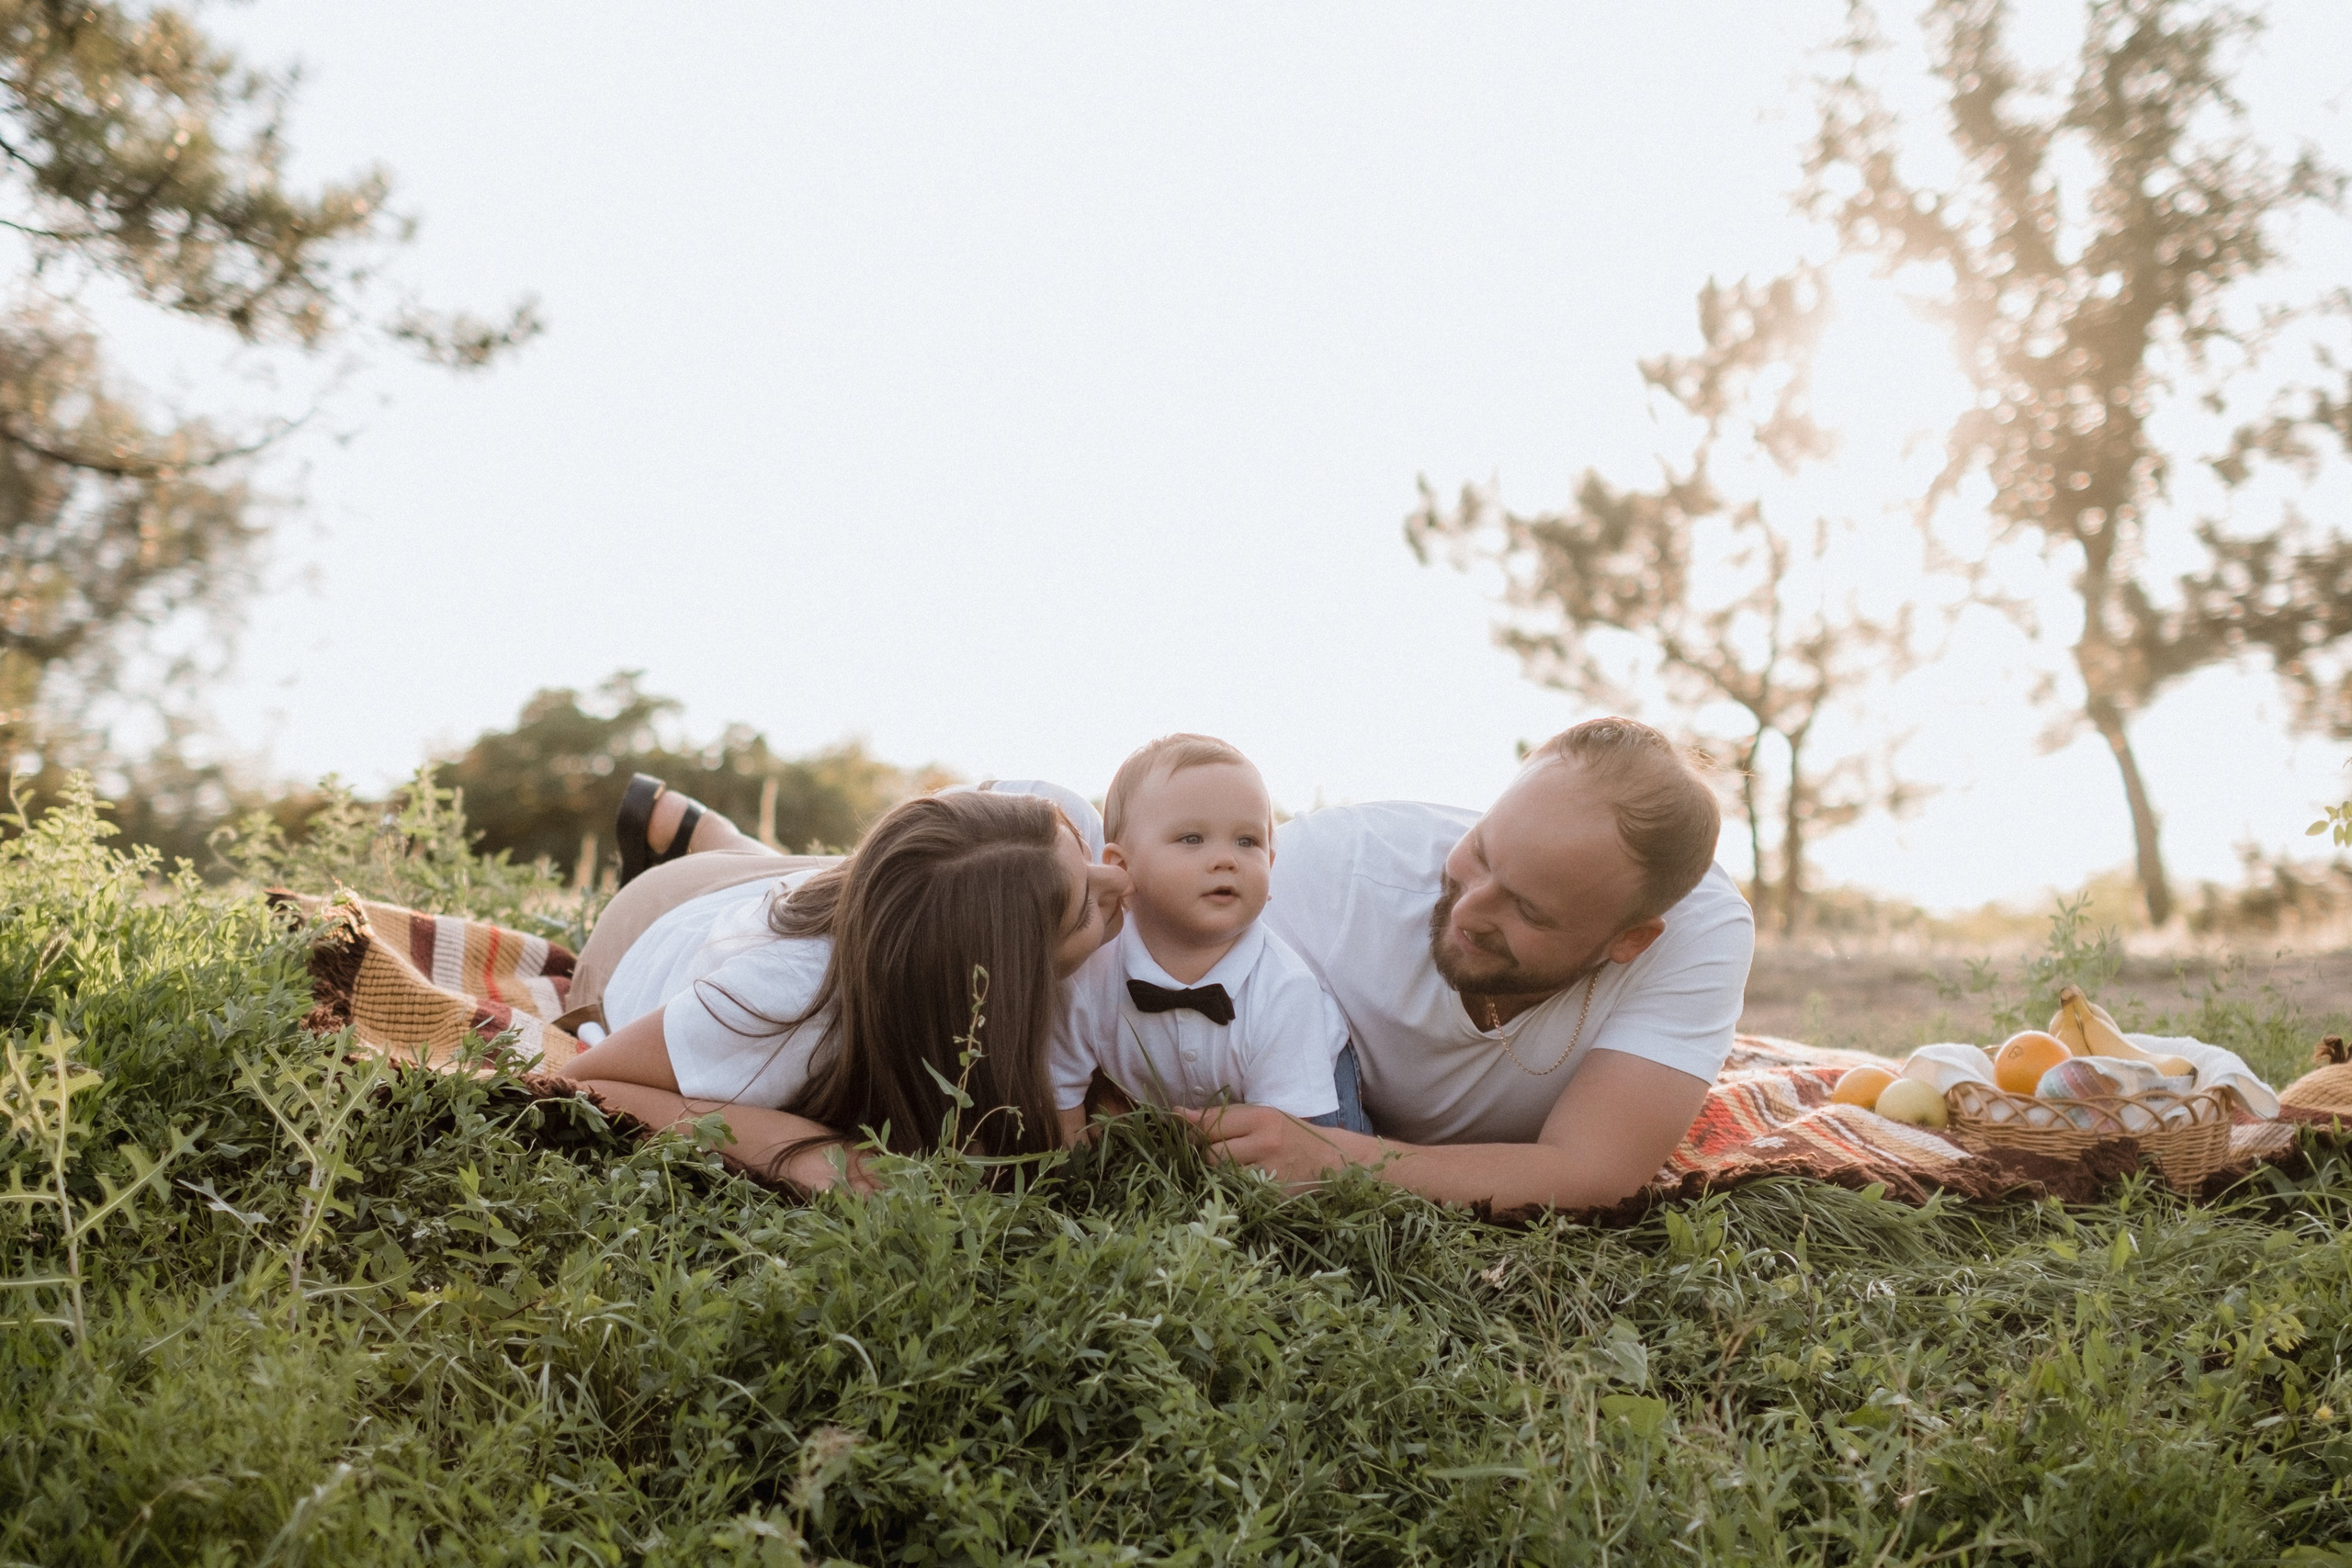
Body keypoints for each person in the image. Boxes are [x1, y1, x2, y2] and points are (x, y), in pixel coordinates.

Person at [1182, 716, 1754, 1212]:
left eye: (1528, 909)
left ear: (1629, 939)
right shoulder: (1329, 872)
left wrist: (1335, 1159)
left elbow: (1592, 1173)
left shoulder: (1697, 931)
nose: (1469, 911)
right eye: (1479, 851)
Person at [559, 779, 1131, 1190]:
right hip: (650, 924)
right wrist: (799, 1152)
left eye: (1084, 855)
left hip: (803, 891)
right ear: (1001, 977)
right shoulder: (785, 1005)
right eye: (1086, 906)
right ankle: (706, 839)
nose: (1121, 880)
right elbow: (588, 1080)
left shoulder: (999, 868)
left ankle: (712, 834)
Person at [1050, 735, 1363, 1134]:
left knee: (1331, 1153)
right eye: (1192, 839)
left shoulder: (1285, 988)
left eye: (1247, 841)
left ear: (1270, 867)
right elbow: (1061, 1094)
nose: (1226, 859)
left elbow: (1284, 1141)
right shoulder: (1090, 974)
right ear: (1121, 868)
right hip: (1165, 1098)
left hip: (1302, 1094)